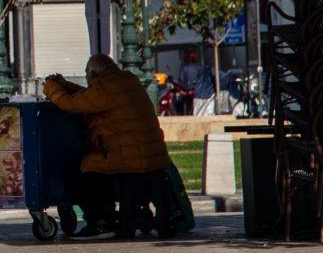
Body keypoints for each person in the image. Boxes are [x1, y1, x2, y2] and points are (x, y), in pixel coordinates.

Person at [44, 55, 173, 238]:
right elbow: (89, 96)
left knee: (80, 171)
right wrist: (65, 85)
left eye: (86, 74)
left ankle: (101, 222)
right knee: (93, 165)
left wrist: (50, 87)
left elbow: (71, 104)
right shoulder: (126, 80)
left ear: (93, 73)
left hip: (128, 158)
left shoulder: (105, 88)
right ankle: (122, 214)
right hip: (151, 156)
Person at [177, 47, 215, 115]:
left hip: (187, 90)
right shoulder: (200, 66)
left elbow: (181, 80)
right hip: (199, 90)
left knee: (187, 105)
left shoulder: (184, 67)